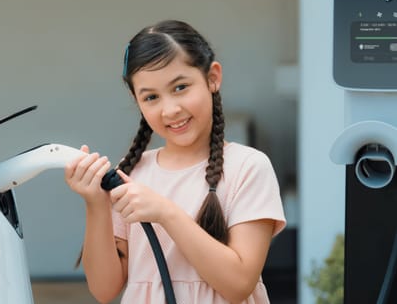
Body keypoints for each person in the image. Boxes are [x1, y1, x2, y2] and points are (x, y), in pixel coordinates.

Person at [65, 20, 286, 304]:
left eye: (180, 87)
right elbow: (104, 289)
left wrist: (166, 213)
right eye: (151, 97)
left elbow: (238, 284)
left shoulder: (249, 167)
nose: (170, 109)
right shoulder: (132, 171)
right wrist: (95, 202)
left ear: (212, 77)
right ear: (137, 100)